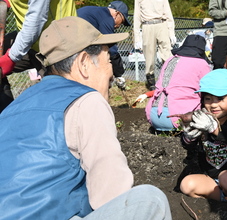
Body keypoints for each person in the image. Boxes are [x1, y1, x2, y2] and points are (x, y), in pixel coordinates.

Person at [0, 16, 172, 219]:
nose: (111, 72)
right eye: (108, 60)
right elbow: (112, 195)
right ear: (83, 63)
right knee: (150, 201)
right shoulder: (86, 100)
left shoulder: (14, 107)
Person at [179, 69, 227, 203]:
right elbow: (188, 146)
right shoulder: (202, 120)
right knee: (187, 185)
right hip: (213, 181)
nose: (214, 104)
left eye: (220, 98)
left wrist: (213, 129)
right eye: (208, 99)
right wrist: (189, 136)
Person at [0, 0, 77, 113]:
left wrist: (10, 57)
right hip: (32, 43)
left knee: (65, 98)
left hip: (61, 42)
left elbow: (36, 21)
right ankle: (6, 117)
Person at [144, 34, 212, 132]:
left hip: (153, 116)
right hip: (180, 118)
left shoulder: (170, 60)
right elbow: (207, 90)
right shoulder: (202, 64)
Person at [77, 1, 131, 90]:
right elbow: (111, 48)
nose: (119, 25)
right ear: (117, 14)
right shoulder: (107, 18)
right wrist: (119, 73)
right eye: (122, 21)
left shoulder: (97, 13)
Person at [133, 0, 176, 90]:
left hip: (162, 23)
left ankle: (168, 78)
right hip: (147, 25)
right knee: (149, 55)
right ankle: (151, 80)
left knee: (167, 53)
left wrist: (171, 32)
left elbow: (168, 14)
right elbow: (136, 17)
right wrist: (137, 38)